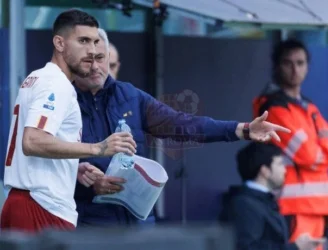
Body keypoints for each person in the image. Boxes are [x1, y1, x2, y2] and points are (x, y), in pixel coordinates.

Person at [73, 28, 291, 227]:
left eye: (101, 58)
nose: (95, 67)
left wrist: (241, 129)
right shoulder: (64, 100)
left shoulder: (130, 96)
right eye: (87, 59)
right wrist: (85, 184)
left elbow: (182, 124)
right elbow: (44, 162)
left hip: (138, 223)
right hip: (90, 222)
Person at [1, 10, 137, 233]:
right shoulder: (56, 84)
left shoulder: (41, 77)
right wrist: (99, 147)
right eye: (83, 41)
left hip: (30, 203)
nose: (92, 51)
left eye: (94, 42)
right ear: (60, 43)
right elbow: (33, 141)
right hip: (41, 207)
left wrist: (72, 166)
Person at [253, 39, 328, 250]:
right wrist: (324, 150)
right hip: (291, 205)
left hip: (315, 206)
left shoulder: (308, 106)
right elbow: (308, 155)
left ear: (307, 66)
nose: (295, 69)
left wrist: (319, 151)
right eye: (288, 63)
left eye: (300, 63)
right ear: (277, 66)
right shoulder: (274, 108)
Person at [229, 142, 325, 250]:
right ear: (265, 171)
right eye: (280, 164)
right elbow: (247, 247)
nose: (284, 170)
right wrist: (295, 247)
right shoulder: (245, 205)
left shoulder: (262, 201)